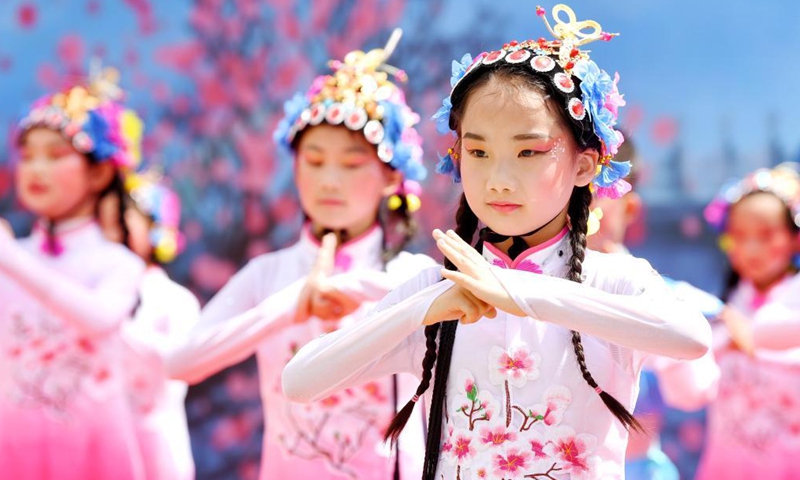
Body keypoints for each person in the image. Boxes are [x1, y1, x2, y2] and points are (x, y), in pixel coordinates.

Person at [283, 5, 711, 479]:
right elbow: (300, 381)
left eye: (528, 151)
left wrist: (519, 293)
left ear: (585, 165)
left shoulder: (613, 280)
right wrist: (417, 311)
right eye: (479, 151)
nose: (498, 179)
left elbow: (691, 338)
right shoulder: (441, 289)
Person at [168, 30, 433, 479]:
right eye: (313, 160)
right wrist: (291, 305)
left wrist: (354, 287)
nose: (330, 181)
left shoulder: (413, 275)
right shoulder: (268, 274)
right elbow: (180, 363)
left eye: (351, 164)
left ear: (392, 178)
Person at [0, 69, 147, 479]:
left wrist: (9, 258)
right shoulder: (13, 255)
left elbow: (99, 319)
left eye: (55, 154)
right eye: (28, 156)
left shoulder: (118, 263)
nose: (35, 169)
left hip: (93, 454)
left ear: (99, 173)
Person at [696, 163, 800, 479]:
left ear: (795, 238)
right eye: (739, 236)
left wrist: (746, 336)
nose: (752, 248)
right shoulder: (725, 302)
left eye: (767, 235)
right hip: (728, 458)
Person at [99, 170, 199, 480]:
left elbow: (178, 364)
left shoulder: (175, 299)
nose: (111, 229)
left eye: (123, 218)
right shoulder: (90, 288)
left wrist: (108, 323)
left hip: (157, 449)